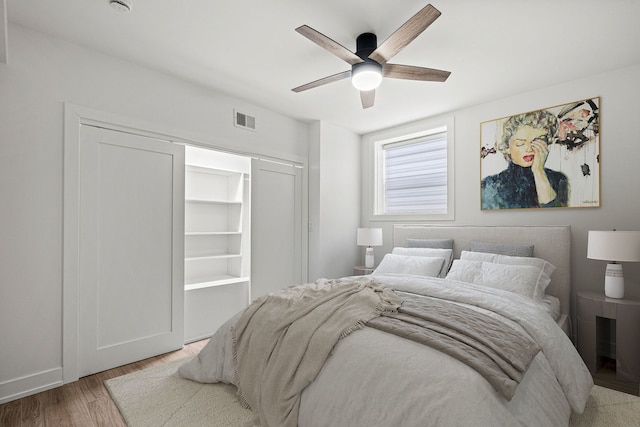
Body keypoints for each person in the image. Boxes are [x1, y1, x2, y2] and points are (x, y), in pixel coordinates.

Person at [481, 110, 569, 209]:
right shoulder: (489, 185)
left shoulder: (558, 179)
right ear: (507, 147)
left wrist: (538, 171)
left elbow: (555, 215)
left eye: (537, 142)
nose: (529, 149)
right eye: (520, 143)